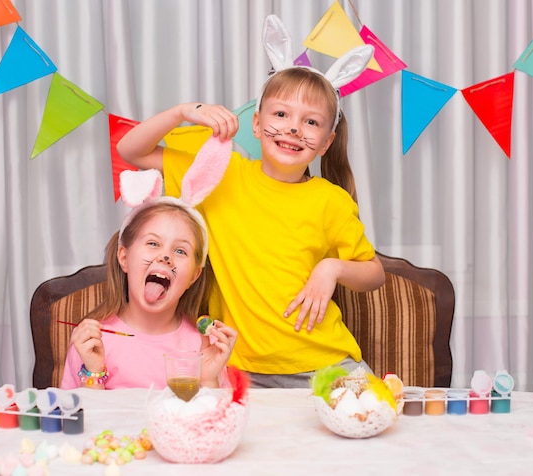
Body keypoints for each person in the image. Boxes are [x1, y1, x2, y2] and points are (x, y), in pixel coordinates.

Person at [116, 15, 385, 388]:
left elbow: (374, 274)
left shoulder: (331, 200)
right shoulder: (220, 170)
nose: (293, 128)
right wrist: (182, 112)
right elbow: (130, 149)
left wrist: (332, 269)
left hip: (327, 363)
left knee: (377, 430)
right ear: (256, 124)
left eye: (310, 122)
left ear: (326, 142)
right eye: (280, 114)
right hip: (240, 370)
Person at [61, 170, 238, 390]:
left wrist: (208, 378)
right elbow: (80, 420)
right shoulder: (92, 342)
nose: (165, 256)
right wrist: (94, 371)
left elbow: (213, 421)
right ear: (124, 257)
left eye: (180, 251)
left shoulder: (202, 345)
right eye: (153, 243)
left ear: (194, 275)